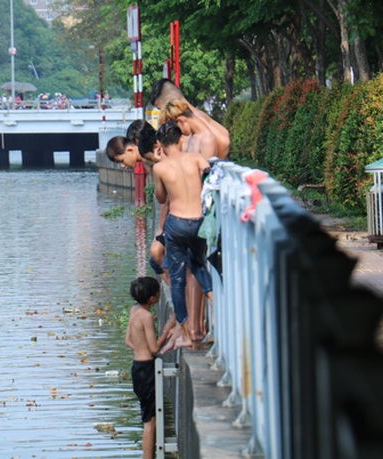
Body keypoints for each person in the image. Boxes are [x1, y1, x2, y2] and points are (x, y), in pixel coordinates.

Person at [153, 122, 213, 348]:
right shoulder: (197, 158)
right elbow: (210, 181)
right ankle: (214, 301)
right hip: (199, 222)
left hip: (177, 224)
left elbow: (161, 198)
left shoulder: (160, 168)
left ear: (159, 144)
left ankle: (187, 335)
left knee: (177, 282)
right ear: (180, 140)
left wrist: (160, 162)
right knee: (198, 265)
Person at [125, 277, 175, 459]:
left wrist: (142, 349)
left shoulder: (133, 311)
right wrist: (168, 328)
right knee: (151, 421)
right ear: (153, 298)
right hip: (147, 369)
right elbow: (155, 348)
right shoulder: (146, 316)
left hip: (137, 367)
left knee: (148, 415)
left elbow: (128, 341)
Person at [148, 78, 230, 160]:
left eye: (161, 108)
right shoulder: (195, 116)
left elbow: (224, 141)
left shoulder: (194, 117)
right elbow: (224, 133)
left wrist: (215, 166)